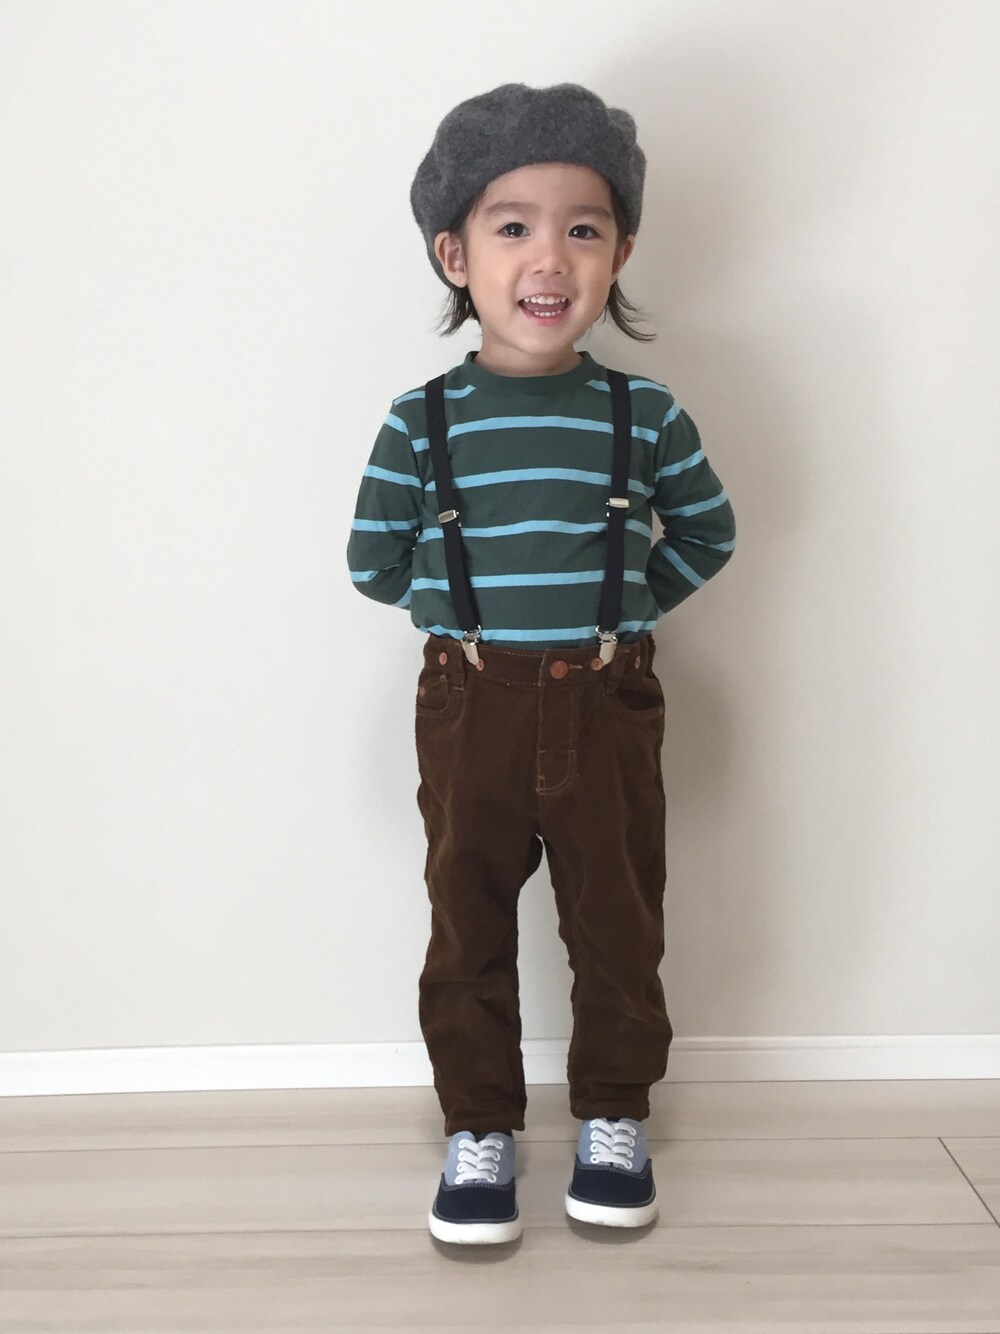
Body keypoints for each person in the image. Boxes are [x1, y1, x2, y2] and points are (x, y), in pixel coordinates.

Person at [346, 82, 736, 1246]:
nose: (549, 256)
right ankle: (480, 1125)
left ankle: (614, 1112)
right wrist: (462, 617)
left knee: (617, 918)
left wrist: (625, 613)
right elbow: (372, 561)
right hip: (471, 702)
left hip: (606, 700)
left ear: (620, 253)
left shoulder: (643, 415)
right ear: (454, 255)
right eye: (512, 225)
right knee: (465, 920)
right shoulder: (419, 423)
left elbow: (706, 532)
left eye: (584, 227)